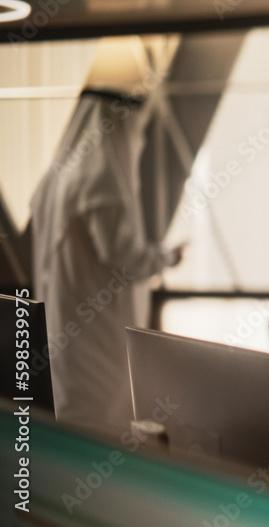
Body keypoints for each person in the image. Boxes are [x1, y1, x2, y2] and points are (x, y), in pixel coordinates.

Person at [31, 88, 182, 432]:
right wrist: (166, 257)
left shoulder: (60, 179)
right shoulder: (100, 178)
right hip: (97, 334)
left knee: (75, 415)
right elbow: (124, 256)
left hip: (65, 325)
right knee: (101, 422)